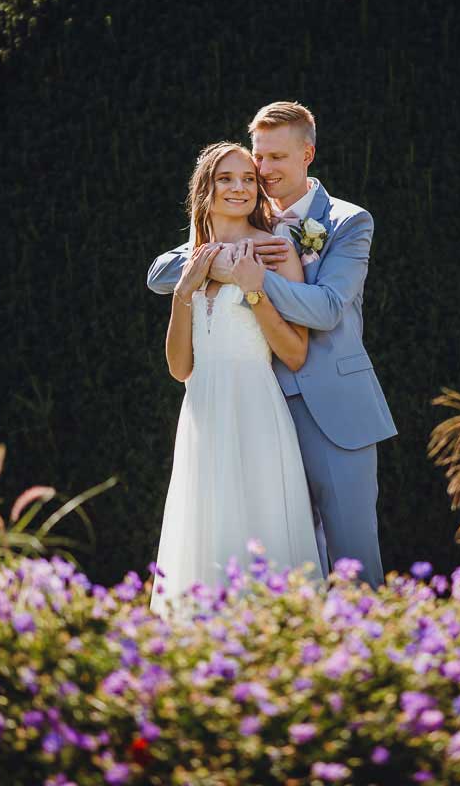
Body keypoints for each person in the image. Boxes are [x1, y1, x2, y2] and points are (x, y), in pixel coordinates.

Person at [148, 102, 396, 589]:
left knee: (352, 555)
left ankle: (365, 639)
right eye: (259, 156)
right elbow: (161, 272)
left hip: (332, 409)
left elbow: (328, 309)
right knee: (278, 552)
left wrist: (255, 277)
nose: (262, 170)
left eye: (276, 157)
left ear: (307, 155)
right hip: (255, 410)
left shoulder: (346, 221)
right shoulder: (247, 218)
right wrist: (223, 259)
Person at [149, 141, 321, 613]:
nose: (239, 188)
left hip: (255, 411)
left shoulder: (275, 252)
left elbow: (295, 353)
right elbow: (180, 368)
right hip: (202, 413)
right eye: (226, 178)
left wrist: (254, 291)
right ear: (205, 188)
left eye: (248, 179)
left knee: (260, 527)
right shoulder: (191, 261)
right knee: (206, 531)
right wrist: (184, 291)